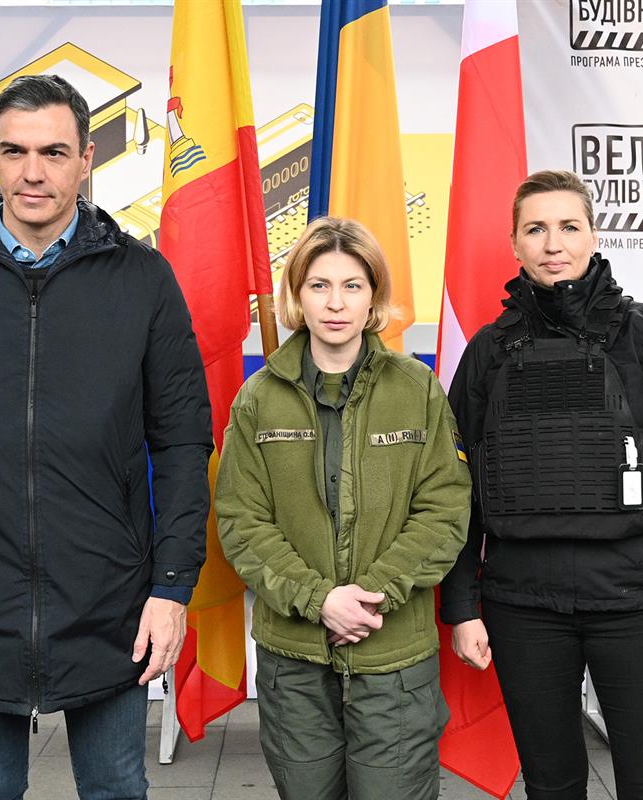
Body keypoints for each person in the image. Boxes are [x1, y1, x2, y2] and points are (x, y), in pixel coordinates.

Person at [0, 74, 212, 800]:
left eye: (53, 152)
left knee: (117, 789)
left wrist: (172, 586)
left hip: (109, 605)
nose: (32, 172)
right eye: (13, 151)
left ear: (87, 158)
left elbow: (182, 443)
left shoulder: (143, 280)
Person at [441, 170, 643, 800]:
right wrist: (462, 606)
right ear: (514, 243)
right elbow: (457, 488)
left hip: (635, 605)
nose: (552, 242)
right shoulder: (488, 352)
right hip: (522, 606)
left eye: (568, 226)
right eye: (535, 229)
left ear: (594, 235)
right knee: (552, 786)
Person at [215, 217, 471, 800]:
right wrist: (320, 600)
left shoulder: (416, 388)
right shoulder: (258, 399)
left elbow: (444, 509)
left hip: (394, 660)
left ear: (374, 295)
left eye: (352, 286)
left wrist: (372, 594)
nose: (336, 303)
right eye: (319, 285)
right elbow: (241, 521)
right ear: (297, 296)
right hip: (294, 662)